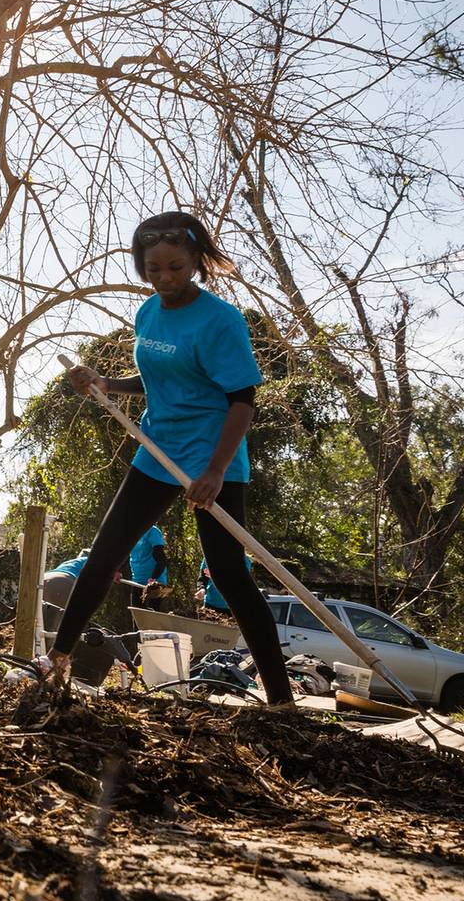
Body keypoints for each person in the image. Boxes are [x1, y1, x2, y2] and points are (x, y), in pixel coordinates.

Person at [54, 211, 293, 706]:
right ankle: (56, 663)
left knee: (230, 576)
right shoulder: (148, 314)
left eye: (175, 268)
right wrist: (104, 383)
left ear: (196, 263)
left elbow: (243, 399)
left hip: (213, 458)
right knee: (103, 556)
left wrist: (215, 471)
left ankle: (281, 700)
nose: (164, 278)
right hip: (157, 451)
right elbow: (157, 380)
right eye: (153, 269)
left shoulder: (221, 320)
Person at [129, 525, 169, 609]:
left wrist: (153, 578)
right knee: (137, 617)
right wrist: (117, 570)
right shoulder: (129, 532)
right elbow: (124, 555)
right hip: (137, 582)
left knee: (152, 618)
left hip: (154, 584)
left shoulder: (152, 531)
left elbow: (162, 560)